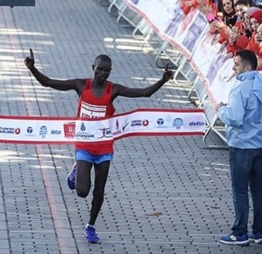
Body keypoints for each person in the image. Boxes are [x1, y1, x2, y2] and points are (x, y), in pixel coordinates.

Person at [24, 49, 172, 243]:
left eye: (107, 71)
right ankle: (77, 170)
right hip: (84, 146)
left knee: (99, 191)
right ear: (93, 68)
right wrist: (32, 68)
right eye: (100, 70)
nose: (103, 74)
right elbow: (49, 83)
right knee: (82, 192)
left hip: (104, 149)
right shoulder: (80, 85)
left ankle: (91, 226)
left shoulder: (114, 90)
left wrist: (163, 80)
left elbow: (144, 93)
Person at [216, 50, 262, 246]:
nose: (233, 67)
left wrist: (221, 109)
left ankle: (240, 232)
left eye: (236, 64)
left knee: (239, 190)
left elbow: (235, 118)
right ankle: (258, 231)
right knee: (258, 189)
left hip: (242, 145)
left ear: (247, 67)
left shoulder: (240, 88)